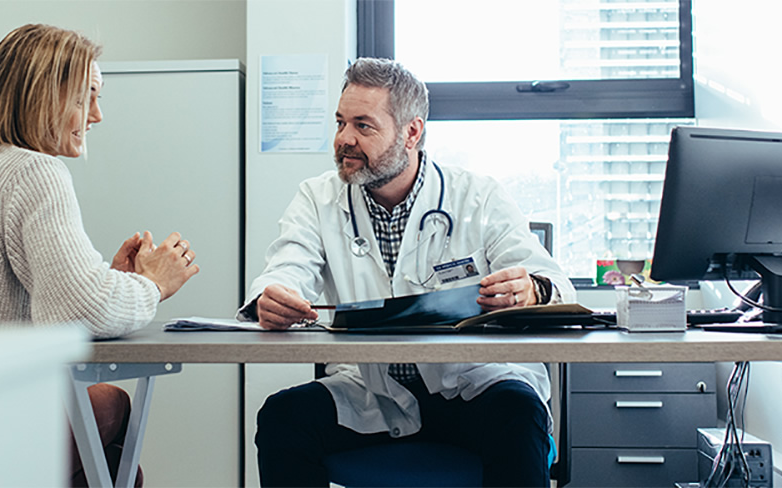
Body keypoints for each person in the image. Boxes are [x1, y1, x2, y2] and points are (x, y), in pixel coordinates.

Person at [237, 58, 577, 487]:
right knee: (284, 416)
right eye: (340, 122)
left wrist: (530, 290)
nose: (344, 139)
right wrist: (273, 297)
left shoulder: (478, 196)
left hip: (472, 387)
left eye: (363, 126)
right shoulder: (318, 198)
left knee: (519, 412)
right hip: (373, 391)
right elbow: (288, 266)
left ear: (411, 132)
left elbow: (552, 283)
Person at [0, 24, 199, 487]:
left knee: (118, 463)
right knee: (111, 408)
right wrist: (153, 283)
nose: (96, 115)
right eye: (87, 97)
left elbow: (50, 295)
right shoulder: (34, 170)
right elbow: (77, 310)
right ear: (44, 97)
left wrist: (113, 279)